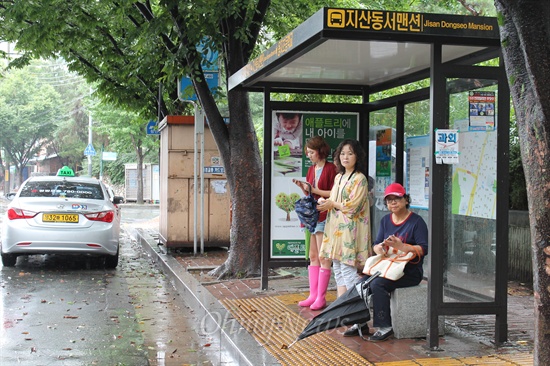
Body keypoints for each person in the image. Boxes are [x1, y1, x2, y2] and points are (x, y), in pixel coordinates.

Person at [344, 182, 428, 342]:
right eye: (389, 200)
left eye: (397, 199)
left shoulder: (417, 222)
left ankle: (385, 326)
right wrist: (380, 249)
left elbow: (424, 249)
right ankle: (360, 323)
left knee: (377, 285)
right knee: (360, 284)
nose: (393, 203)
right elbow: (376, 244)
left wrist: (402, 246)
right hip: (386, 267)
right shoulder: (385, 221)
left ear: (406, 200)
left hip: (408, 272)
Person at [315, 139, 371, 310]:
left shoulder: (360, 179)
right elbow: (334, 199)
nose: (345, 157)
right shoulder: (339, 177)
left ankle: (358, 310)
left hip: (351, 232)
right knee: (338, 270)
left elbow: (353, 207)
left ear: (357, 156)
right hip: (336, 231)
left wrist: (332, 204)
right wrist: (326, 202)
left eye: (350, 153)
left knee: (348, 271)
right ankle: (342, 309)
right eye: (343, 153)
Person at [293, 136, 337, 309]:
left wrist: (313, 190)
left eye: (311, 152)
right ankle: (313, 294)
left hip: (325, 215)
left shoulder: (331, 168)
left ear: (320, 151)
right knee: (312, 256)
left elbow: (333, 193)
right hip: (312, 216)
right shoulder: (311, 169)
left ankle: (321, 297)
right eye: (308, 153)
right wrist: (304, 188)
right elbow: (311, 194)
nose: (309, 156)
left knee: (322, 256)